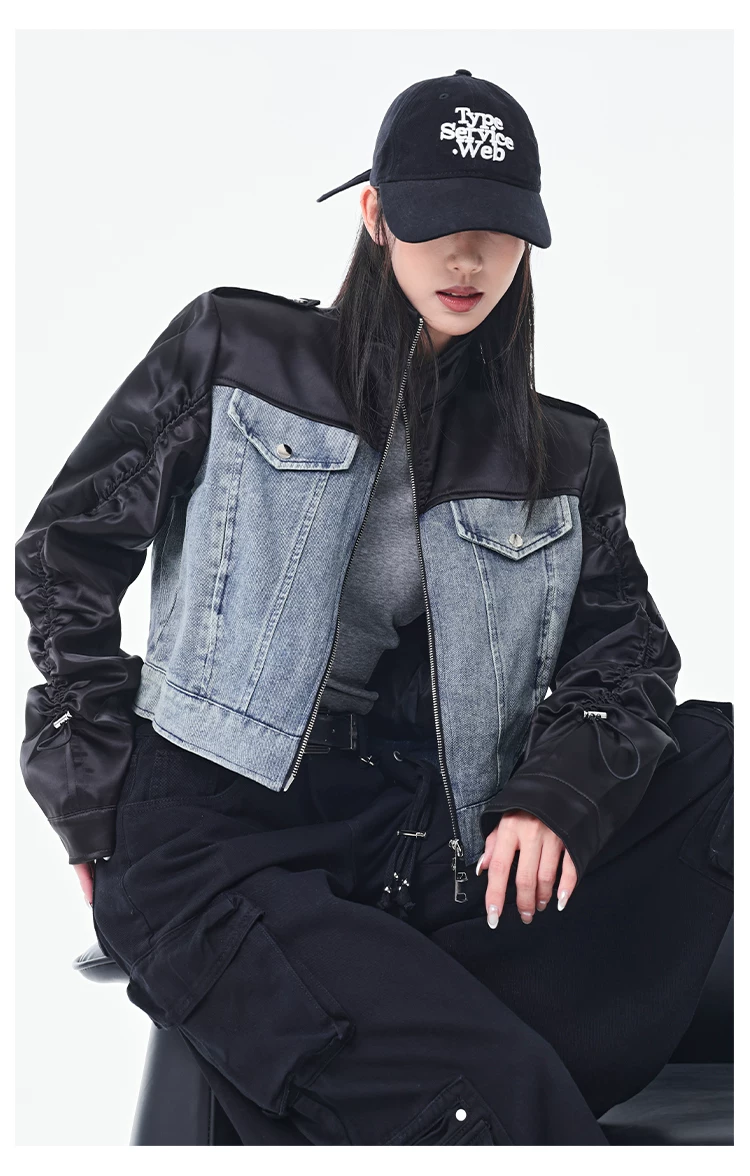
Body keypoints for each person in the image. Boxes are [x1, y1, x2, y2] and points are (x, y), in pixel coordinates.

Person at [15, 69, 733, 1146]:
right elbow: (66, 547)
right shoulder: (236, 350)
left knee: (720, 761)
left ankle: (426, 1041)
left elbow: (627, 659)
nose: (467, 258)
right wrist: (92, 784)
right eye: (438, 222)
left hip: (407, 839)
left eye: (497, 229)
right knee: (492, 1098)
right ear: (376, 214)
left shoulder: (560, 452)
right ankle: (453, 1068)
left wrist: (553, 797)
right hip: (213, 827)